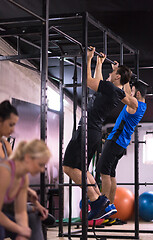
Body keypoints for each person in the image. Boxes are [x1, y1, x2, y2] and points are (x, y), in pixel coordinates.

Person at [63, 47, 132, 220]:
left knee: (68, 167)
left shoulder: (111, 89)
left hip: (87, 130)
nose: (110, 74)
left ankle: (96, 200)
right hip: (93, 131)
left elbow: (88, 81)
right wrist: (99, 63)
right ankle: (102, 202)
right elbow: (98, 81)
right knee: (82, 170)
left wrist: (88, 59)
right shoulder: (115, 91)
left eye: (113, 72)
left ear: (117, 77)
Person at [0, 100, 55, 240]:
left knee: (32, 215)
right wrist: (20, 229)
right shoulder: (4, 172)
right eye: (10, 124)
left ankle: (32, 208)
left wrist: (23, 231)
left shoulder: (5, 144)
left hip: (8, 198)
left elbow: (15, 172)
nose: (13, 129)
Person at [96, 80, 147, 219]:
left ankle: (102, 208)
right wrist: (127, 80)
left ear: (137, 93)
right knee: (111, 175)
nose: (129, 92)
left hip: (115, 142)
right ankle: (110, 206)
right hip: (120, 144)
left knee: (103, 173)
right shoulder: (142, 106)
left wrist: (124, 80)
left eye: (132, 90)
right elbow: (127, 92)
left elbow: (125, 95)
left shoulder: (134, 104)